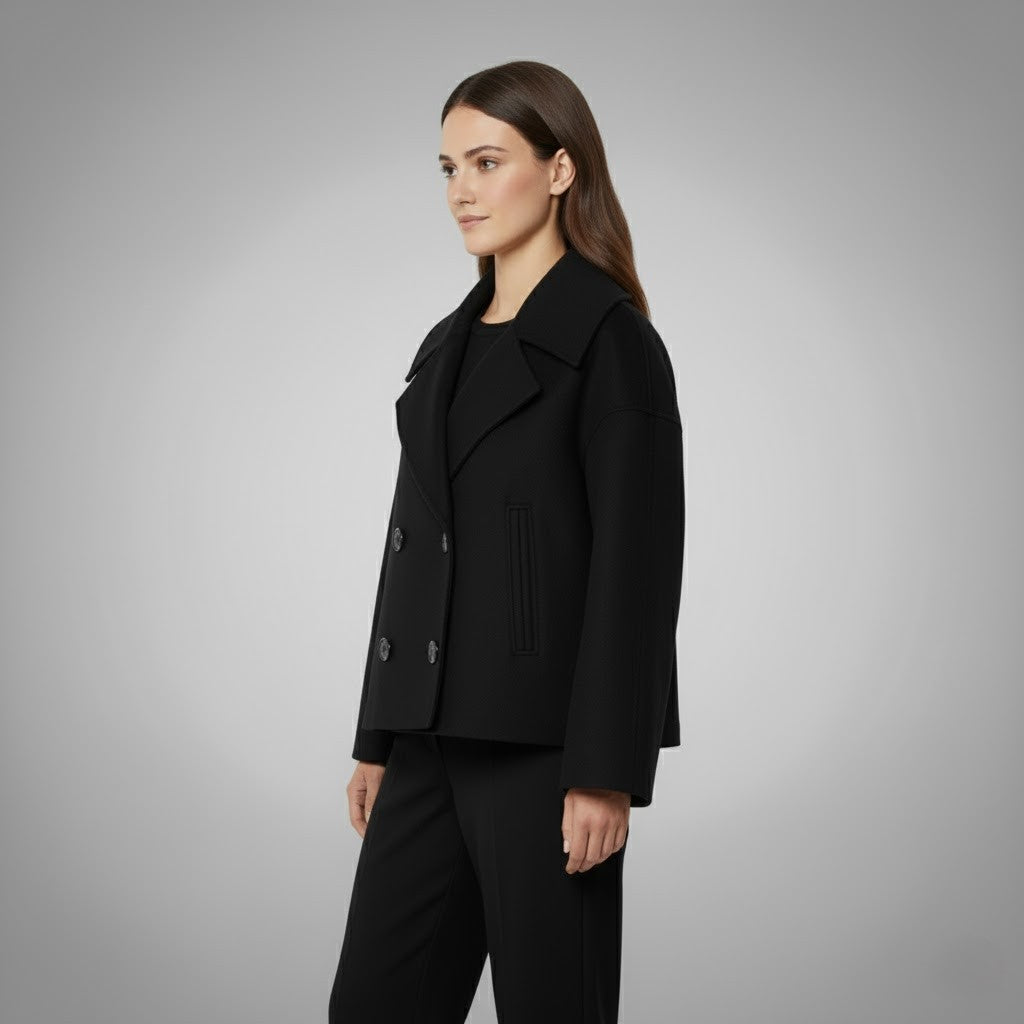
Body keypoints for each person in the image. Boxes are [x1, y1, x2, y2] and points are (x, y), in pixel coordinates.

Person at [328, 59, 685, 1023]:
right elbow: (411, 546)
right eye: (449, 168)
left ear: (560, 170)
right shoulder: (443, 348)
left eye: (488, 162)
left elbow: (637, 573)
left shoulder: (612, 343)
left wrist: (606, 769)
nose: (462, 190)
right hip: (426, 740)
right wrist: (378, 736)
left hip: (546, 751)